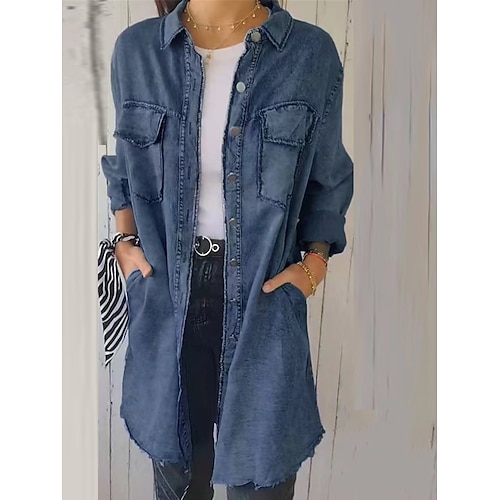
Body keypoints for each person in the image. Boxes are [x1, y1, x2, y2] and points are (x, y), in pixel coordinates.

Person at [100, 0, 353, 498]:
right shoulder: (137, 51)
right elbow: (125, 169)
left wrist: (313, 265)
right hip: (167, 297)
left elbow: (328, 179)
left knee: (259, 477)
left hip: (262, 300)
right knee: (179, 479)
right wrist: (125, 241)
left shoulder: (309, 54)